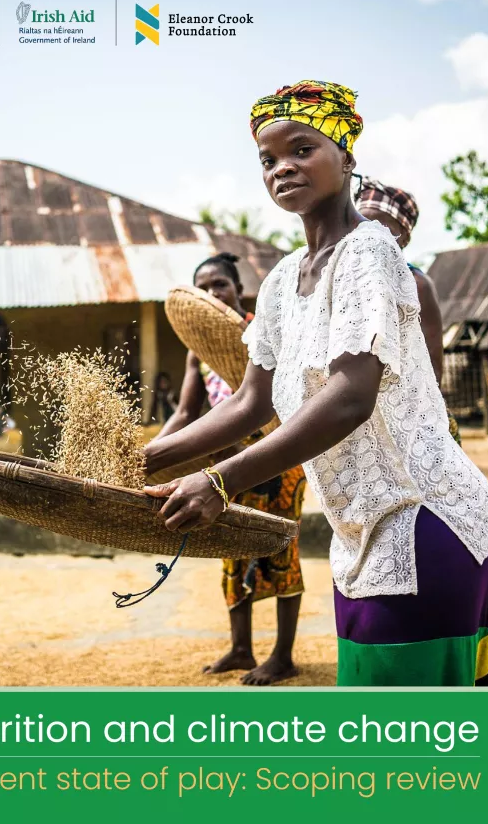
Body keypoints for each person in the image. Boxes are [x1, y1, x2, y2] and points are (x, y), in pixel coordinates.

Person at [144, 79, 488, 686]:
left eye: (302, 149)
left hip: (425, 524)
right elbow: (251, 401)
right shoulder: (284, 280)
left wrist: (219, 480)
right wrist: (148, 459)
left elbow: (350, 398)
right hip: (360, 535)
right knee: (380, 741)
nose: (282, 167)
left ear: (347, 158)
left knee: (415, 750)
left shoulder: (369, 252)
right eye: (268, 160)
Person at [157, 251, 306, 685]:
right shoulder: (196, 351)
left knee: (281, 550)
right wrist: (150, 454)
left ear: (239, 289)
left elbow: (274, 402)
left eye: (219, 284)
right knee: (229, 552)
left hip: (276, 457)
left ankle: (282, 656)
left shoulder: (262, 331)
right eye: (202, 287)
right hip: (223, 467)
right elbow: (186, 413)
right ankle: (241, 649)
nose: (211, 293)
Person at [355, 177, 461, 444]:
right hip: (355, 419)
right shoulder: (346, 281)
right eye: (360, 224)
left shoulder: (416, 285)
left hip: (411, 421)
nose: (368, 234)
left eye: (379, 226)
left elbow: (432, 370)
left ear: (403, 236)